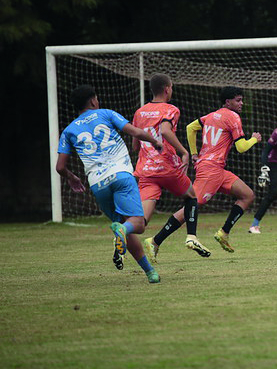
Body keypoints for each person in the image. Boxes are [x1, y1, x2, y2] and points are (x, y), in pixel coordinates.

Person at [55, 85, 164, 283]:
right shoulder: (106, 114)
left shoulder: (68, 130)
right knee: (137, 225)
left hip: (98, 185)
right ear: (93, 101)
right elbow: (135, 132)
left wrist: (72, 177)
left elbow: (60, 167)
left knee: (124, 225)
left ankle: (150, 273)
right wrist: (155, 141)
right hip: (120, 176)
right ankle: (122, 232)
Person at [129, 73, 211, 263]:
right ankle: (192, 236)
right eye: (171, 87)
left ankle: (126, 232)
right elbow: (165, 131)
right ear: (167, 89)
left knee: (141, 221)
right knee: (191, 197)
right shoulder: (171, 109)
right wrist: (184, 152)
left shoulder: (139, 112)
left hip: (146, 170)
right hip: (166, 167)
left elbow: (135, 146)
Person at [186, 86, 262, 253]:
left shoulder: (212, 116)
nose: (242, 103)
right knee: (193, 204)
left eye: (242, 99)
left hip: (218, 169)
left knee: (247, 195)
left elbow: (190, 128)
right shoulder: (233, 116)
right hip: (210, 169)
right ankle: (156, 240)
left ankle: (224, 233)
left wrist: (194, 153)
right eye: (238, 100)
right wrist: (254, 139)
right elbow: (241, 147)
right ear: (228, 102)